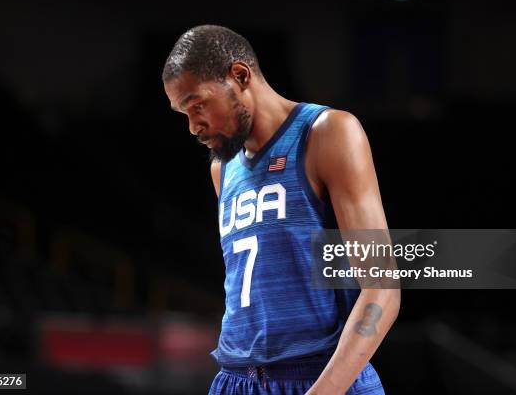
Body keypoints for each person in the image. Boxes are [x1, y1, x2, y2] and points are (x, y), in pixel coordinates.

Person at [162, 25, 400, 395]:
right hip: (235, 378)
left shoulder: (327, 133)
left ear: (239, 76)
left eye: (197, 104)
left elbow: (382, 288)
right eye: (183, 113)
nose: (193, 125)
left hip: (322, 375)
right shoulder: (222, 169)